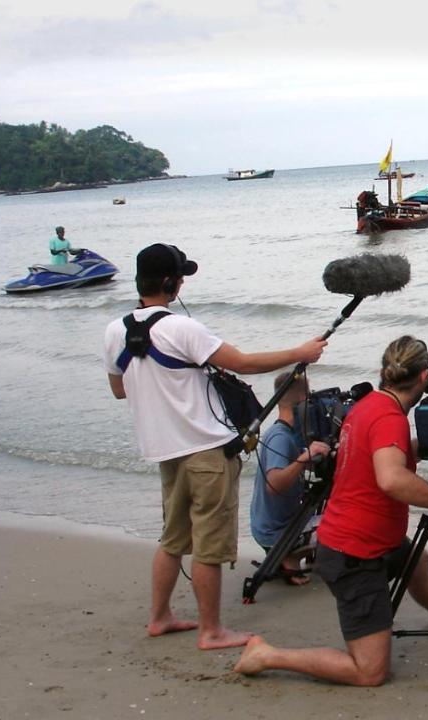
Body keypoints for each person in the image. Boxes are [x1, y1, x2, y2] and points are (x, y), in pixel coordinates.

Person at [102, 243, 328, 650]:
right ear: (172, 283)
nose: (183, 283)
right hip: (207, 450)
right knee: (209, 540)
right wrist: (300, 353)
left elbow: (119, 389)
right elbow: (242, 363)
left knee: (172, 538)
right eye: (180, 277)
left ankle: (159, 618)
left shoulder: (115, 330)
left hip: (164, 452)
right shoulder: (182, 328)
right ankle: (211, 631)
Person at [234, 335, 428, 686]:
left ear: (385, 372)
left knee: (415, 559)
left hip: (366, 539)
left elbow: (379, 454)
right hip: (354, 554)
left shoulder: (369, 405)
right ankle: (265, 654)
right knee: (370, 672)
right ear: (425, 377)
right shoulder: (389, 417)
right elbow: (391, 479)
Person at [249, 370, 332, 586]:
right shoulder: (280, 438)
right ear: (303, 400)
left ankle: (290, 555)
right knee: (344, 525)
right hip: (276, 533)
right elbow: (274, 484)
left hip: (271, 527)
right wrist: (305, 458)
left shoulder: (284, 433)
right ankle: (288, 557)